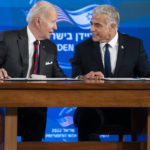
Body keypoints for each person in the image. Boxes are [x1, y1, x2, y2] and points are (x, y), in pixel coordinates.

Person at [72, 4, 150, 141]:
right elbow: (75, 77)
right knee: (85, 116)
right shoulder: (82, 48)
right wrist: (83, 78)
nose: (91, 29)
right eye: (91, 24)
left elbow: (147, 75)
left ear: (113, 26)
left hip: (127, 108)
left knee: (145, 115)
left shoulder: (134, 45)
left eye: (97, 25)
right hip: (93, 108)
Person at [0, 1, 65, 141]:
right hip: (7, 104)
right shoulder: (7, 38)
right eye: (53, 22)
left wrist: (82, 78)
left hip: (34, 109)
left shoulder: (50, 48)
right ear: (38, 21)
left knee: (36, 112)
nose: (56, 27)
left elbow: (60, 78)